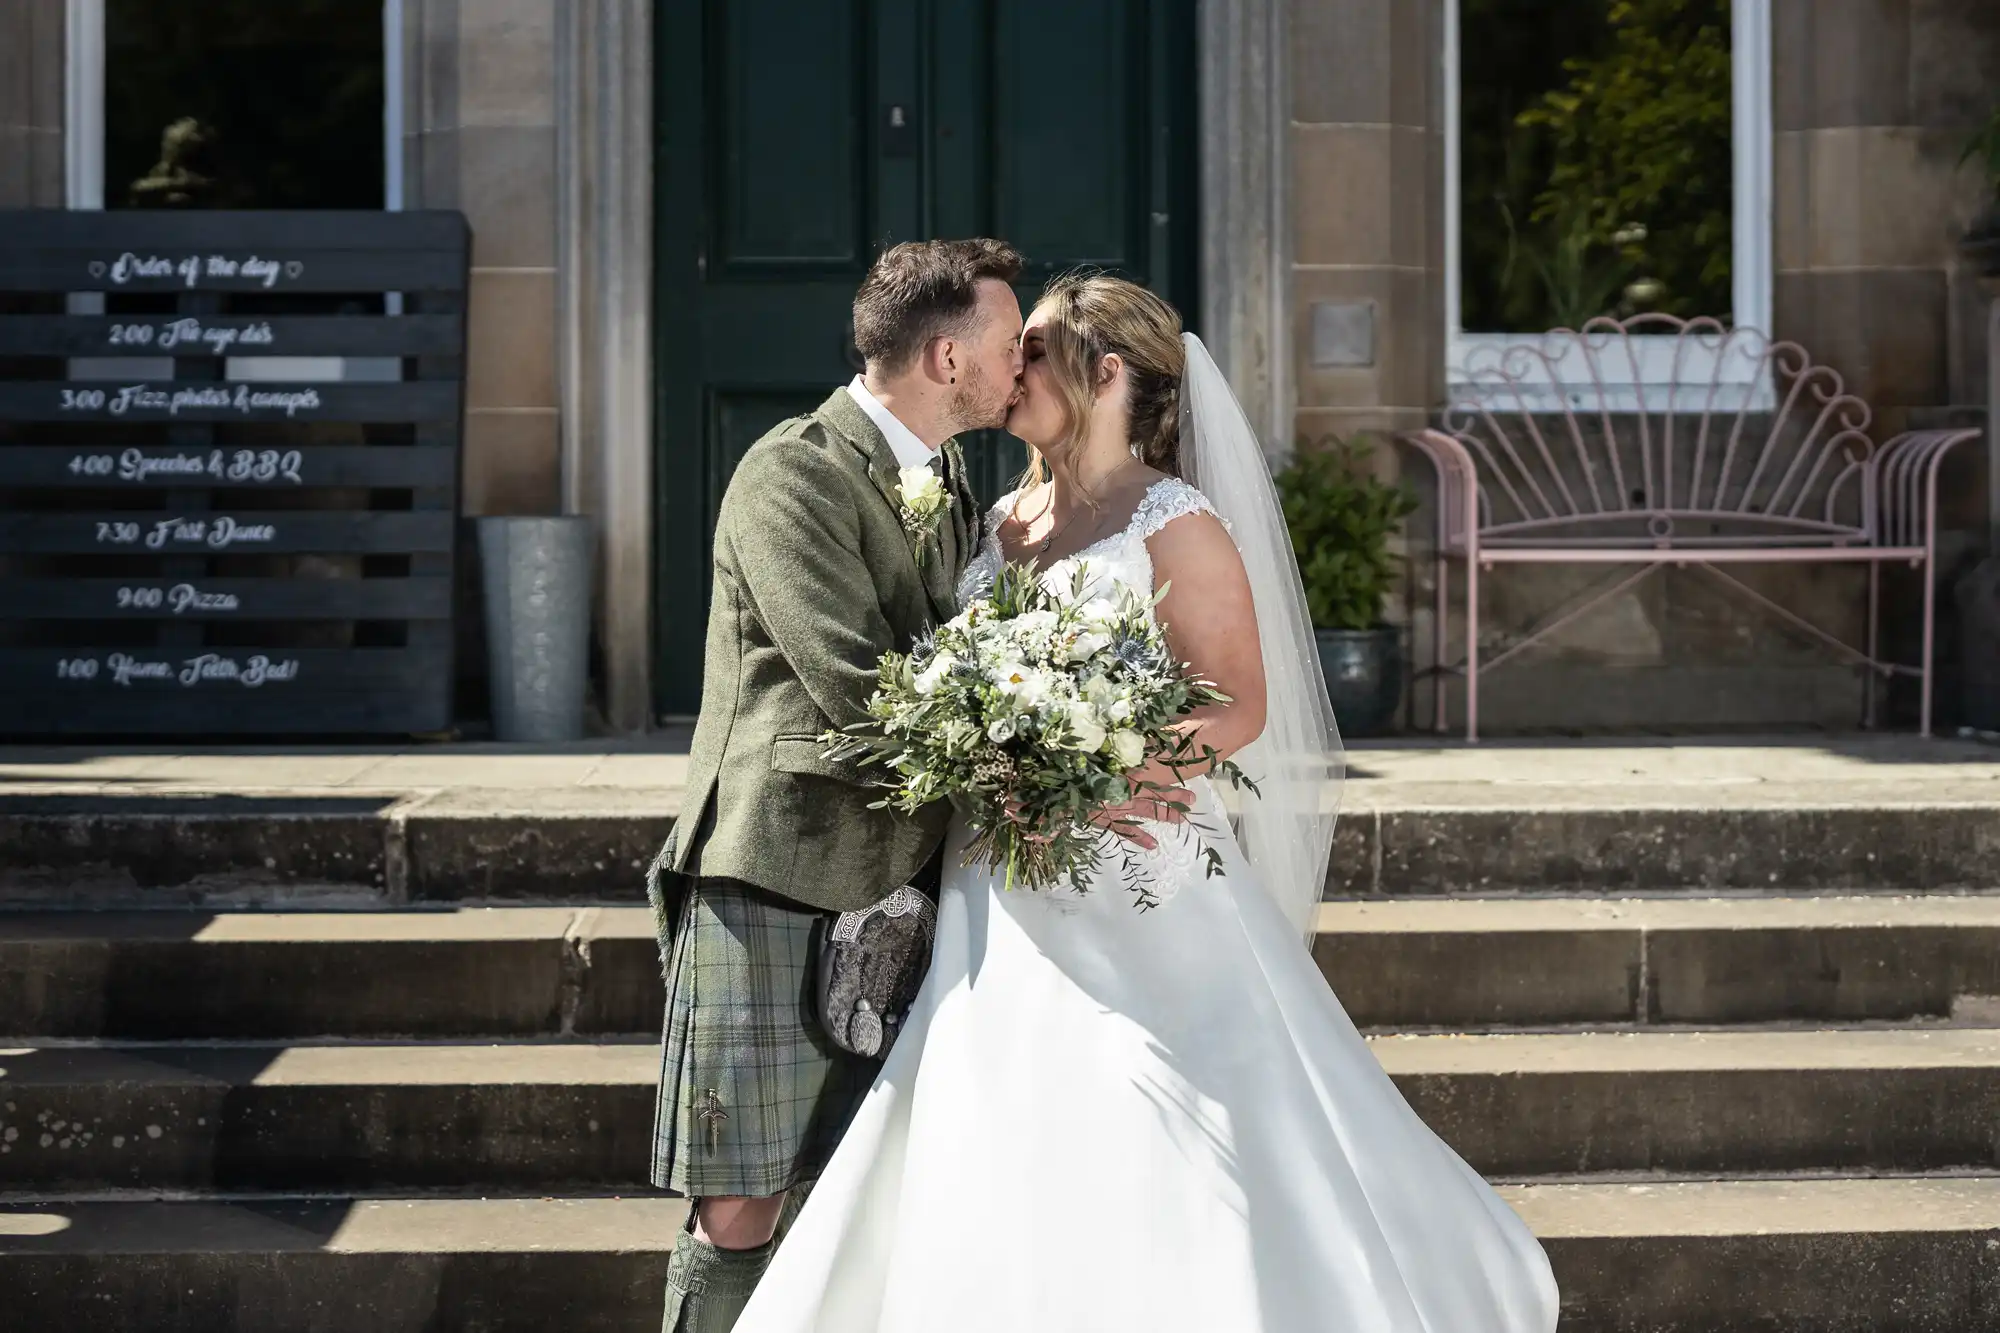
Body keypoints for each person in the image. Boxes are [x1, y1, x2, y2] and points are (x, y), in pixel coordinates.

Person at [730, 273, 1561, 1332]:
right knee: (998, 1115)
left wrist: (1093, 768)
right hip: (999, 882)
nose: (1007, 369)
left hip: (1130, 868)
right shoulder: (995, 520)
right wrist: (1003, 768)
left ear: (1103, 370)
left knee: (1156, 1109)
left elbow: (1237, 704)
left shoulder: (1174, 519)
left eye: (1029, 347)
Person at [643, 238, 1029, 1332]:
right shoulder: (793, 471)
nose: (1023, 364)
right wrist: (1024, 765)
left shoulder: (951, 481)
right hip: (775, 873)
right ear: (946, 356)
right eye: (1007, 346)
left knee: (865, 1199)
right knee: (741, 1199)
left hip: (902, 881)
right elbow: (861, 685)